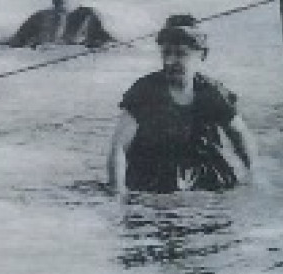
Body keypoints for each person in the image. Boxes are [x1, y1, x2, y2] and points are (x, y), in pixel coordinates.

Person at [107, 14, 257, 195]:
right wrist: (118, 189)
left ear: (202, 55)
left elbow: (240, 135)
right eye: (166, 53)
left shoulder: (211, 92)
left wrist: (255, 177)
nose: (170, 61)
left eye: (180, 54)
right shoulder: (146, 90)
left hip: (202, 174)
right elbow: (119, 147)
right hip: (153, 174)